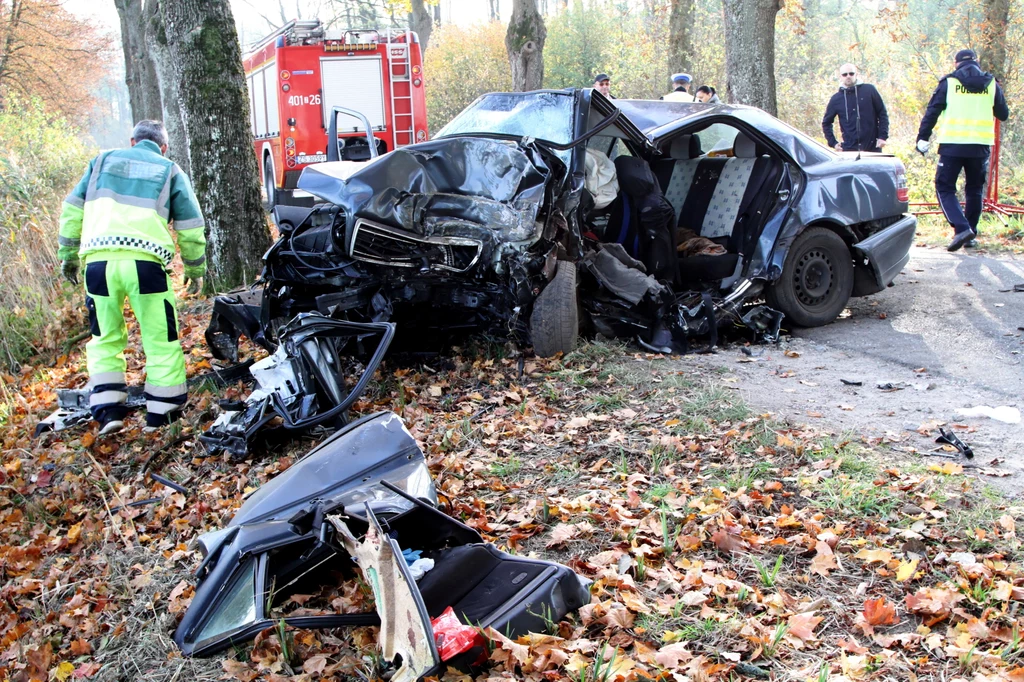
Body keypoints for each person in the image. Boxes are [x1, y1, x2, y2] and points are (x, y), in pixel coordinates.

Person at [58, 120, 207, 435]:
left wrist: (68, 256)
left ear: (132, 140)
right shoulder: (168, 169)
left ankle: (108, 410)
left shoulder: (100, 162)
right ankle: (161, 415)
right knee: (160, 338)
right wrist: (195, 268)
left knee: (104, 338)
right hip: (145, 265)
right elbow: (191, 225)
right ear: (163, 146)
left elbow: (72, 211)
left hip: (99, 265)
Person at [916, 49, 1010, 252]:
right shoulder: (991, 83)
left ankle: (961, 227)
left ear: (955, 63)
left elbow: (932, 111)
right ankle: (970, 235)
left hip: (953, 144)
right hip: (981, 145)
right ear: (976, 62)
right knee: (974, 189)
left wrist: (922, 137)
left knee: (944, 187)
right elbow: (1003, 114)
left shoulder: (949, 82)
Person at [821, 63, 889, 153]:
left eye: (851, 73)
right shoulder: (836, 99)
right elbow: (826, 123)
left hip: (872, 147)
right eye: (845, 74)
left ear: (856, 74)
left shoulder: (869, 90)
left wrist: (882, 137)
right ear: (840, 77)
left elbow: (882, 114)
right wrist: (833, 143)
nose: (848, 76)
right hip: (849, 150)